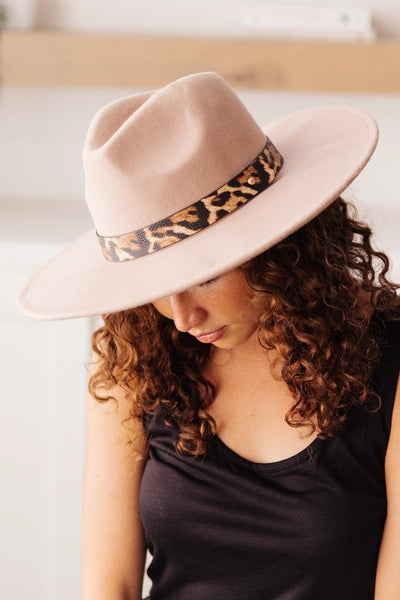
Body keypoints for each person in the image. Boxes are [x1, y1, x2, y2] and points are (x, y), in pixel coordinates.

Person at [16, 72, 400, 600]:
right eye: (155, 285)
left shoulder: (389, 354)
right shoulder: (135, 362)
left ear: (281, 244)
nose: (181, 317)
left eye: (204, 275)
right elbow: (110, 586)